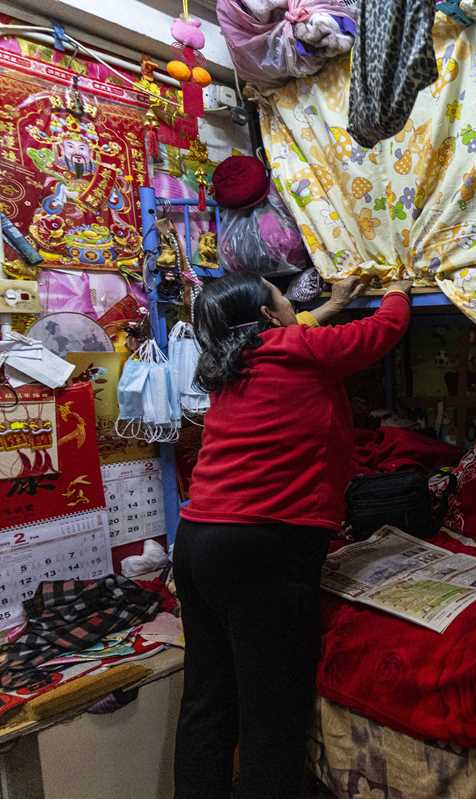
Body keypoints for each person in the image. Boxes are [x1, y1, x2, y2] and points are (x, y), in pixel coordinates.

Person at [173, 272, 411, 799]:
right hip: (261, 549)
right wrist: (398, 286)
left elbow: (294, 330)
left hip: (196, 540)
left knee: (208, 698)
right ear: (266, 316)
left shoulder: (229, 360)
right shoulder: (301, 349)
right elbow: (384, 329)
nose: (292, 305)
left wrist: (333, 305)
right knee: (272, 714)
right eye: (282, 297)